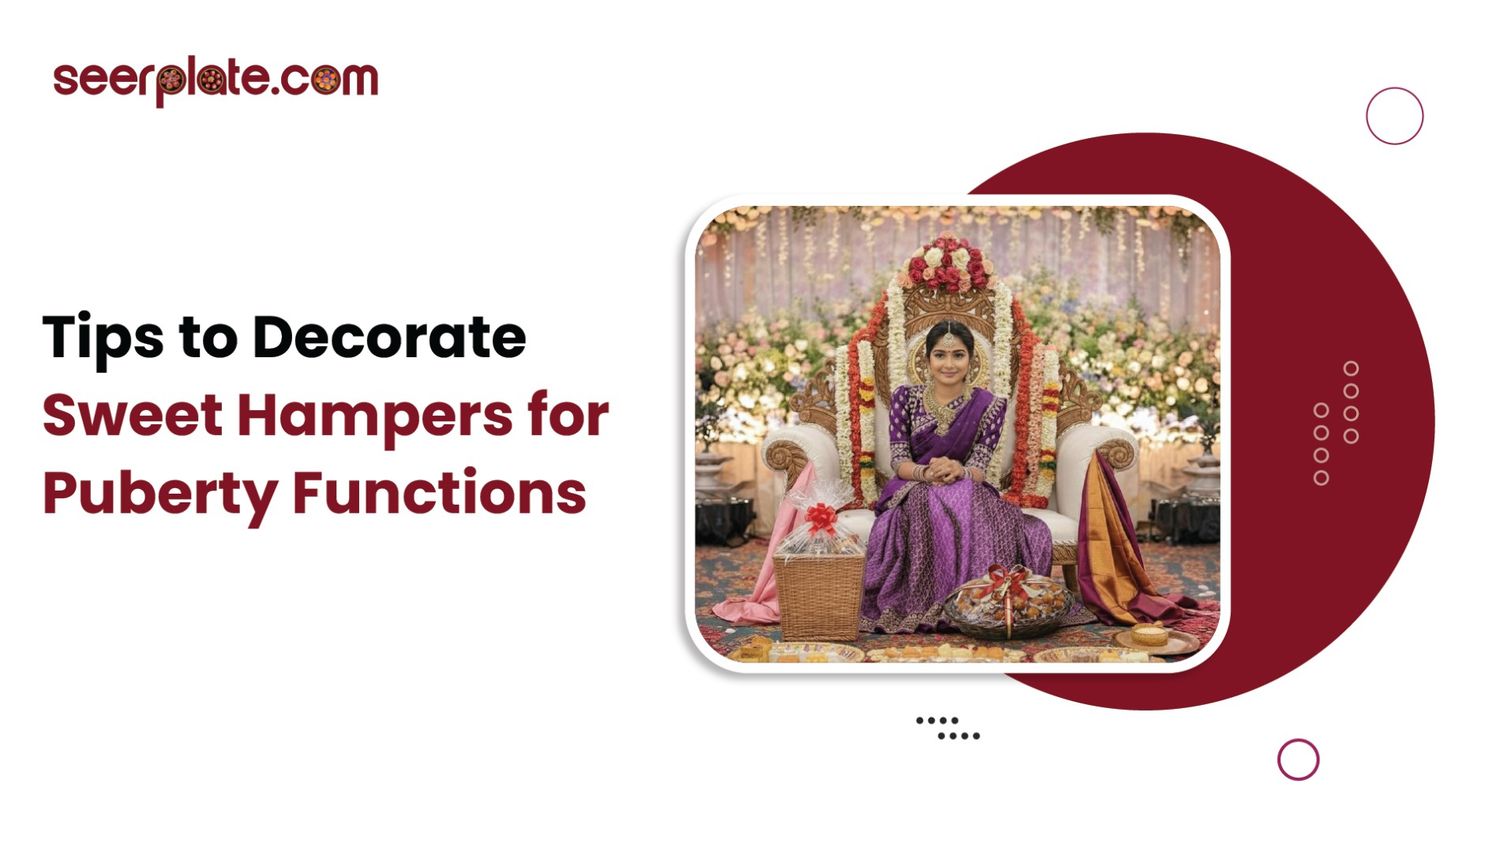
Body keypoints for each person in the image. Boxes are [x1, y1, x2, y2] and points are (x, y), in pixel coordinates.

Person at [862, 320, 1053, 632]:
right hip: (914, 486)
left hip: (965, 483)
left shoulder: (989, 406)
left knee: (968, 497)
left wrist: (957, 470)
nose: (948, 364)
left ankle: (974, 601)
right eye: (940, 355)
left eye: (958, 355)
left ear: (970, 360)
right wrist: (927, 472)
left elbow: (979, 465)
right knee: (928, 497)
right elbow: (899, 460)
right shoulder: (904, 399)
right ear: (926, 360)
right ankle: (940, 602)